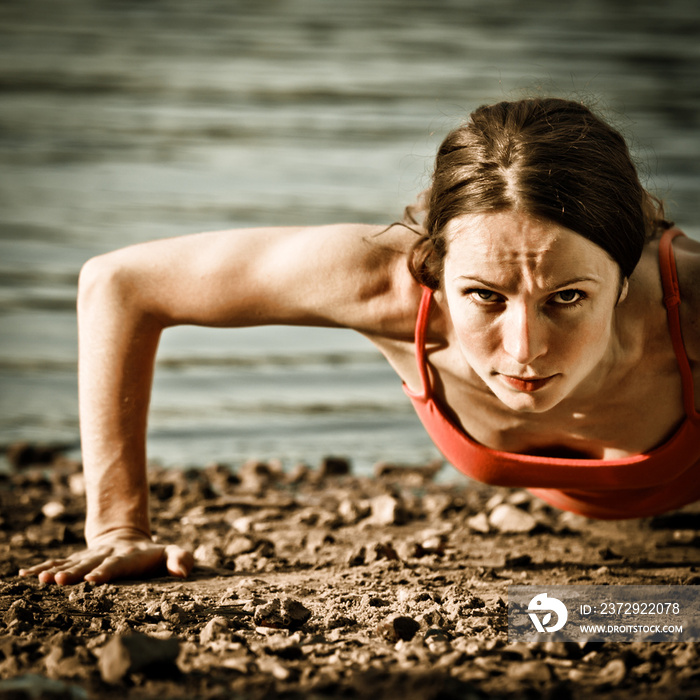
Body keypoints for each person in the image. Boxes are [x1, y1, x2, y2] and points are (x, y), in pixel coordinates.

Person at [19, 97, 700, 587]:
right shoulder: (387, 288)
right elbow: (119, 284)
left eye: (567, 299)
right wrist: (117, 529)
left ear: (624, 275)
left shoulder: (687, 305)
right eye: (485, 297)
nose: (524, 348)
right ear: (437, 267)